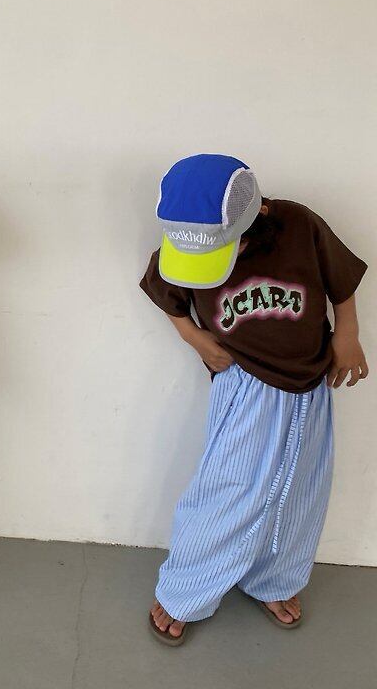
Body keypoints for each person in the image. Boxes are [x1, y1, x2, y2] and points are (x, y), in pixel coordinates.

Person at [140, 153, 368, 646]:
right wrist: (193, 338)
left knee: (299, 491)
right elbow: (166, 294)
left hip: (310, 383)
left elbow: (340, 282)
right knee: (228, 490)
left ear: (257, 212)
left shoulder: (298, 225)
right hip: (244, 384)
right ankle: (186, 589)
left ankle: (274, 580)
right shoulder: (183, 243)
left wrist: (347, 334)